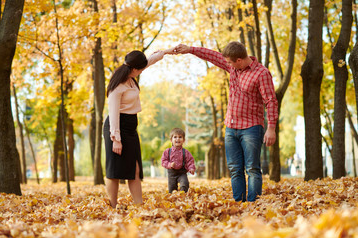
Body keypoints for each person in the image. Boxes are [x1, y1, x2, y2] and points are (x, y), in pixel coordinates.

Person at [174, 42, 278, 202]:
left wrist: (271, 128)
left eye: (229, 62)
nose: (227, 65)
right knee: (235, 169)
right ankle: (239, 202)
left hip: (251, 127)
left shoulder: (261, 74)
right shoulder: (233, 68)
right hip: (231, 127)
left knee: (252, 169)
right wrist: (190, 50)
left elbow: (270, 100)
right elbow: (212, 56)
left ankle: (254, 205)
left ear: (239, 60)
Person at [104, 48, 175, 208]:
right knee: (114, 171)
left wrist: (168, 51)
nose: (143, 70)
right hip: (116, 128)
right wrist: (116, 139)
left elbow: (150, 61)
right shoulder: (117, 86)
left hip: (130, 129)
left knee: (134, 170)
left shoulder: (131, 75)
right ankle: (113, 207)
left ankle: (139, 206)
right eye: (141, 69)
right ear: (134, 68)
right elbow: (113, 113)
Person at [161, 128, 196, 193]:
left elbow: (190, 161)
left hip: (182, 173)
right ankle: (174, 199)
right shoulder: (167, 151)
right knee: (172, 190)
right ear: (171, 140)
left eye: (180, 137)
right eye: (175, 137)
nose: (178, 139)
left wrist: (191, 168)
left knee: (184, 184)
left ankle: (183, 196)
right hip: (172, 174)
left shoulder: (185, 152)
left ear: (184, 140)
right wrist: (169, 164)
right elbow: (163, 161)